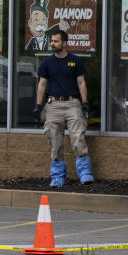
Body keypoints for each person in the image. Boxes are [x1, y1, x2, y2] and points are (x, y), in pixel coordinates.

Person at [33, 30, 94, 186]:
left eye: (56, 41)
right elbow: (42, 84)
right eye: (52, 41)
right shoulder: (47, 62)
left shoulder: (75, 60)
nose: (52, 44)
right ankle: (58, 177)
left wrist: (85, 101)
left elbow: (81, 82)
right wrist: (38, 105)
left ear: (65, 43)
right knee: (55, 139)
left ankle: (85, 173)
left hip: (73, 103)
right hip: (53, 105)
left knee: (78, 137)